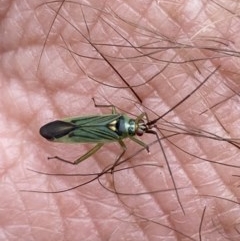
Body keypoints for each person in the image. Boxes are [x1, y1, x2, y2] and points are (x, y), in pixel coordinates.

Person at [1, 0, 240, 240]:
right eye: (139, 127)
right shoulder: (125, 139)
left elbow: (139, 122)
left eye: (140, 128)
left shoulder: (119, 115)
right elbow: (136, 140)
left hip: (90, 126)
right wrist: (144, 144)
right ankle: (58, 148)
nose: (142, 127)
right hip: (97, 132)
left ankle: (58, 144)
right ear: (131, 128)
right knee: (78, 161)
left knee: (79, 143)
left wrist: (139, 135)